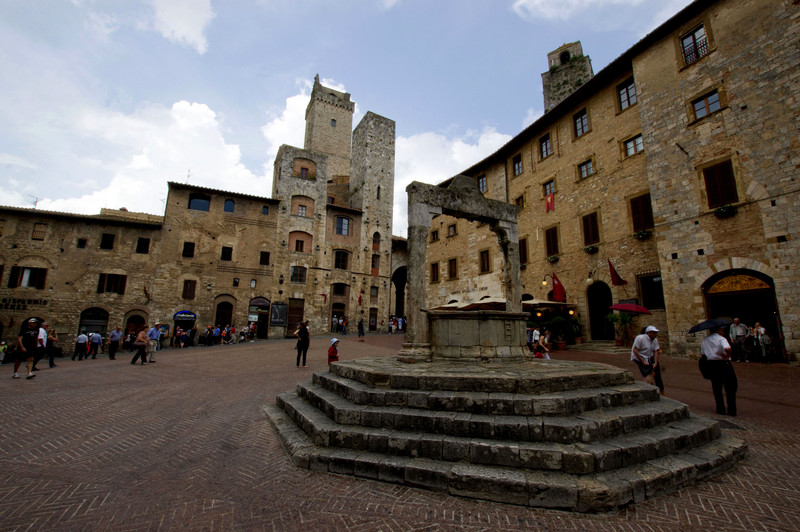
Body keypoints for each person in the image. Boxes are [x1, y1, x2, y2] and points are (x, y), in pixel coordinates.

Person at [701, 324, 737, 416]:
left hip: (712, 365)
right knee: (730, 387)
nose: (723, 331)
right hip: (723, 364)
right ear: (718, 330)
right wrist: (727, 356)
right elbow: (727, 349)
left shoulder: (705, 340)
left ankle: (720, 409)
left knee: (717, 388)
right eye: (722, 329)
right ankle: (731, 410)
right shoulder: (721, 339)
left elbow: (703, 353)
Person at [630, 325, 664, 394]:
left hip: (648, 357)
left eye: (656, 332)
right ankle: (644, 389)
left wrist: (655, 362)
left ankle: (652, 390)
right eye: (654, 333)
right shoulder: (640, 338)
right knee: (651, 373)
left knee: (655, 373)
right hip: (639, 357)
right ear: (648, 333)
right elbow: (635, 350)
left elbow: (655, 351)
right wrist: (643, 361)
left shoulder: (654, 340)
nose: (655, 334)